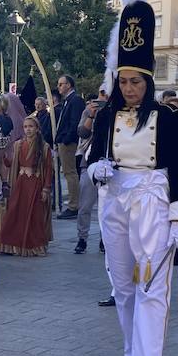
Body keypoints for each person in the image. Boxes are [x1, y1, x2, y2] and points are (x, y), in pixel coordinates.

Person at [86, 0, 178, 356]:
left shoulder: (166, 117)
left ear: (148, 81)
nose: (129, 88)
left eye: (136, 81)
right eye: (124, 81)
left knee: (152, 284)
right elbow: (96, 154)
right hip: (114, 201)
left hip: (152, 201)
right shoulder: (107, 115)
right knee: (123, 286)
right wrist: (97, 168)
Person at [0, 115, 53, 256]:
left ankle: (33, 245)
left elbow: (48, 169)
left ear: (37, 128)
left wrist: (46, 188)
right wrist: (2, 154)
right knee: (16, 213)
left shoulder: (45, 148)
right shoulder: (18, 145)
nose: (28, 129)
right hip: (21, 183)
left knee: (34, 215)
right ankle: (11, 244)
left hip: (35, 184)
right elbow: (12, 162)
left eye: (31, 126)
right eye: (25, 127)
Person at [74, 94, 101, 254]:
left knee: (106, 208)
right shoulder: (88, 111)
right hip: (89, 162)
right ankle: (82, 238)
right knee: (85, 205)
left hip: (112, 164)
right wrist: (91, 114)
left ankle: (105, 239)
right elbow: (82, 132)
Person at [53, 74, 83, 217]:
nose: (59, 87)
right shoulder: (68, 100)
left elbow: (74, 121)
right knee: (67, 172)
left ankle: (73, 205)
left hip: (68, 142)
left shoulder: (75, 100)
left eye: (61, 84)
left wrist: (65, 139)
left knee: (70, 173)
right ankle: (73, 203)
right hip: (64, 141)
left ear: (69, 85)